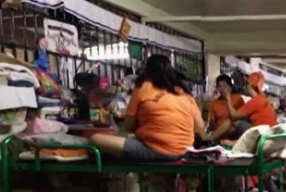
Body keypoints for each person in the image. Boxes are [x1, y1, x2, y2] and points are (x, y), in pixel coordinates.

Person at [90, 55, 227, 161]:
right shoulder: (183, 93)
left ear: (146, 71)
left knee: (95, 139)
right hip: (185, 150)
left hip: (156, 150)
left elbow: (129, 126)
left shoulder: (142, 88)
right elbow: (199, 128)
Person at [208, 74, 244, 139]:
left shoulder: (238, 99)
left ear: (230, 87)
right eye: (219, 86)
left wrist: (228, 100)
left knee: (231, 122)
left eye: (224, 86)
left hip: (235, 130)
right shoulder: (214, 103)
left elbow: (243, 117)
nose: (222, 89)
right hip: (219, 133)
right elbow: (212, 124)